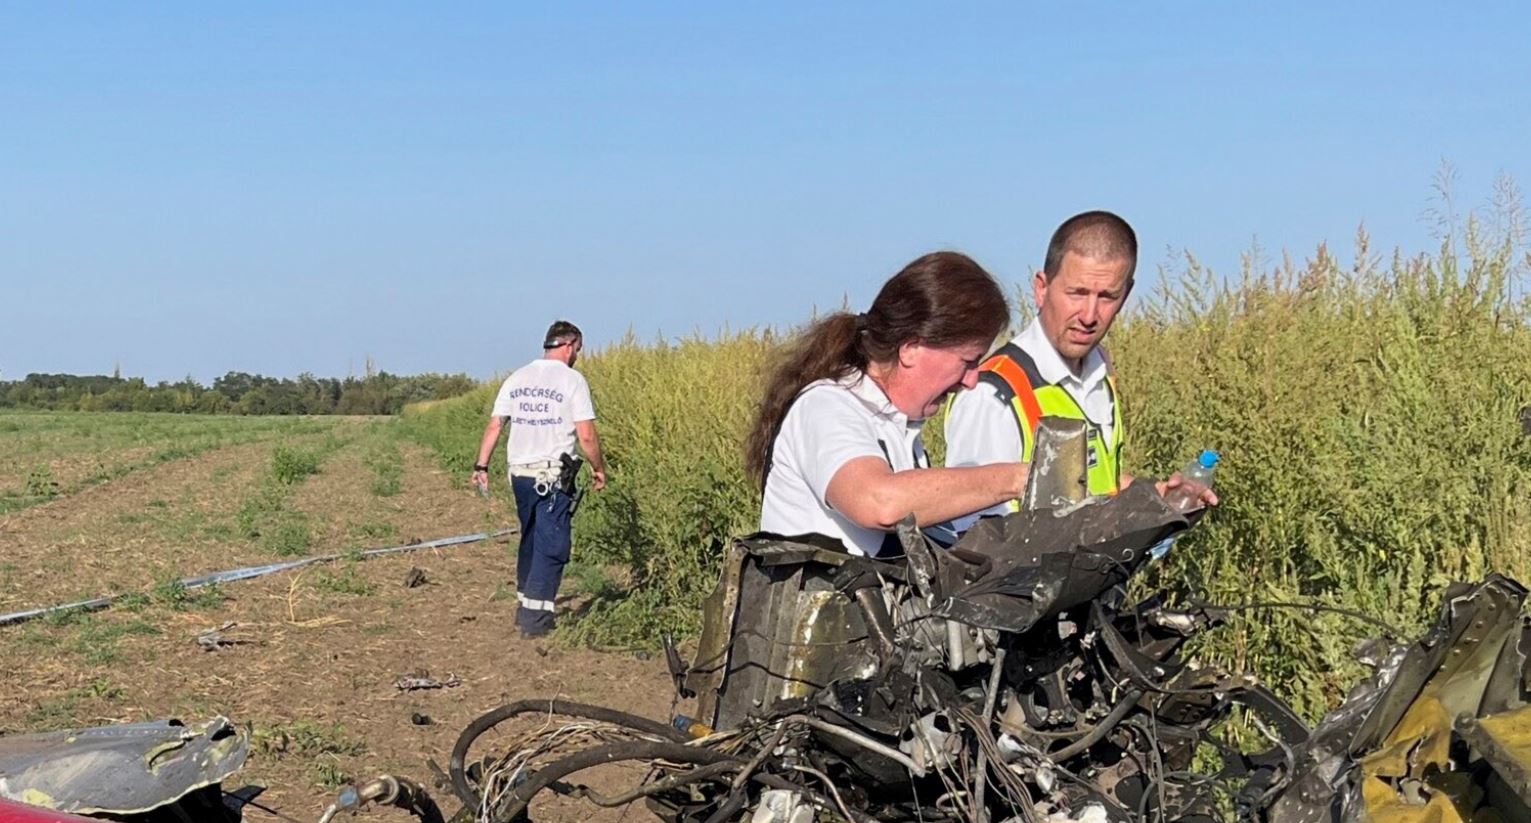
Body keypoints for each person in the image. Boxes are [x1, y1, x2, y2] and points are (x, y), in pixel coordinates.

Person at [944, 210, 1215, 530]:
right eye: (1077, 293)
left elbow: (1101, 484)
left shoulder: (1100, 373)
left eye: (1106, 297)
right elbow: (972, 538)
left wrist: (1156, 499)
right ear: (1041, 288)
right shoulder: (993, 393)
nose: (1089, 315)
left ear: (1125, 295)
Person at [745, 251, 1029, 557]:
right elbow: (879, 504)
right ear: (911, 348)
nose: (971, 381)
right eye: (968, 362)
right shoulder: (825, 406)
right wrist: (1015, 478)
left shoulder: (897, 427)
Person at [471, 320, 608, 637]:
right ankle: (535, 623)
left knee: (530, 539)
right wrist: (599, 468)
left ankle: (524, 608)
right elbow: (586, 435)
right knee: (553, 546)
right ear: (570, 344)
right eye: (579, 349)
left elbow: (495, 426)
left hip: (519, 475)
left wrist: (481, 466)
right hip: (551, 478)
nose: (578, 355)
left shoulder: (517, 378)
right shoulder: (573, 381)